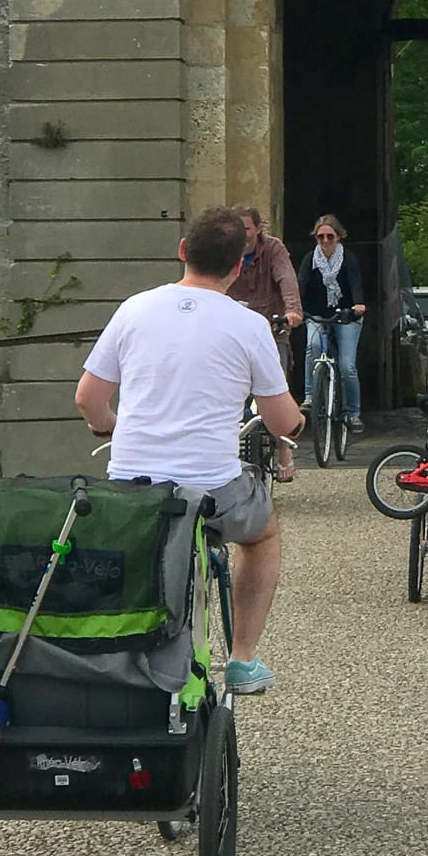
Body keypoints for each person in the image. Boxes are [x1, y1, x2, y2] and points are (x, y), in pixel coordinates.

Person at [74, 206, 305, 696]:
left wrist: (113, 429)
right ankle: (242, 658)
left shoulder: (134, 308)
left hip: (132, 483)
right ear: (239, 266)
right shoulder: (248, 325)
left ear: (182, 252)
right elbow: (282, 420)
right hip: (211, 489)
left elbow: (88, 399)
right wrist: (297, 424)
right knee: (262, 536)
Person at [295, 213, 367, 433]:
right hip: (317, 314)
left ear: (339, 237)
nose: (325, 241)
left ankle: (353, 413)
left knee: (347, 366)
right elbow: (300, 285)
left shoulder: (349, 259)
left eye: (330, 236)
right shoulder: (310, 260)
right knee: (313, 346)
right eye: (320, 237)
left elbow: (355, 283)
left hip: (346, 316)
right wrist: (294, 307)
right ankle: (309, 395)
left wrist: (358, 304)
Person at [226, 205, 303, 374]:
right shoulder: (225, 249)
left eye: (246, 229)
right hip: (236, 327)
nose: (241, 235)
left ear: (259, 228)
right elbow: (211, 281)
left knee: (276, 381)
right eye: (237, 229)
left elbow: (286, 277)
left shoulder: (273, 248)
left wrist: (293, 310)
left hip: (271, 324)